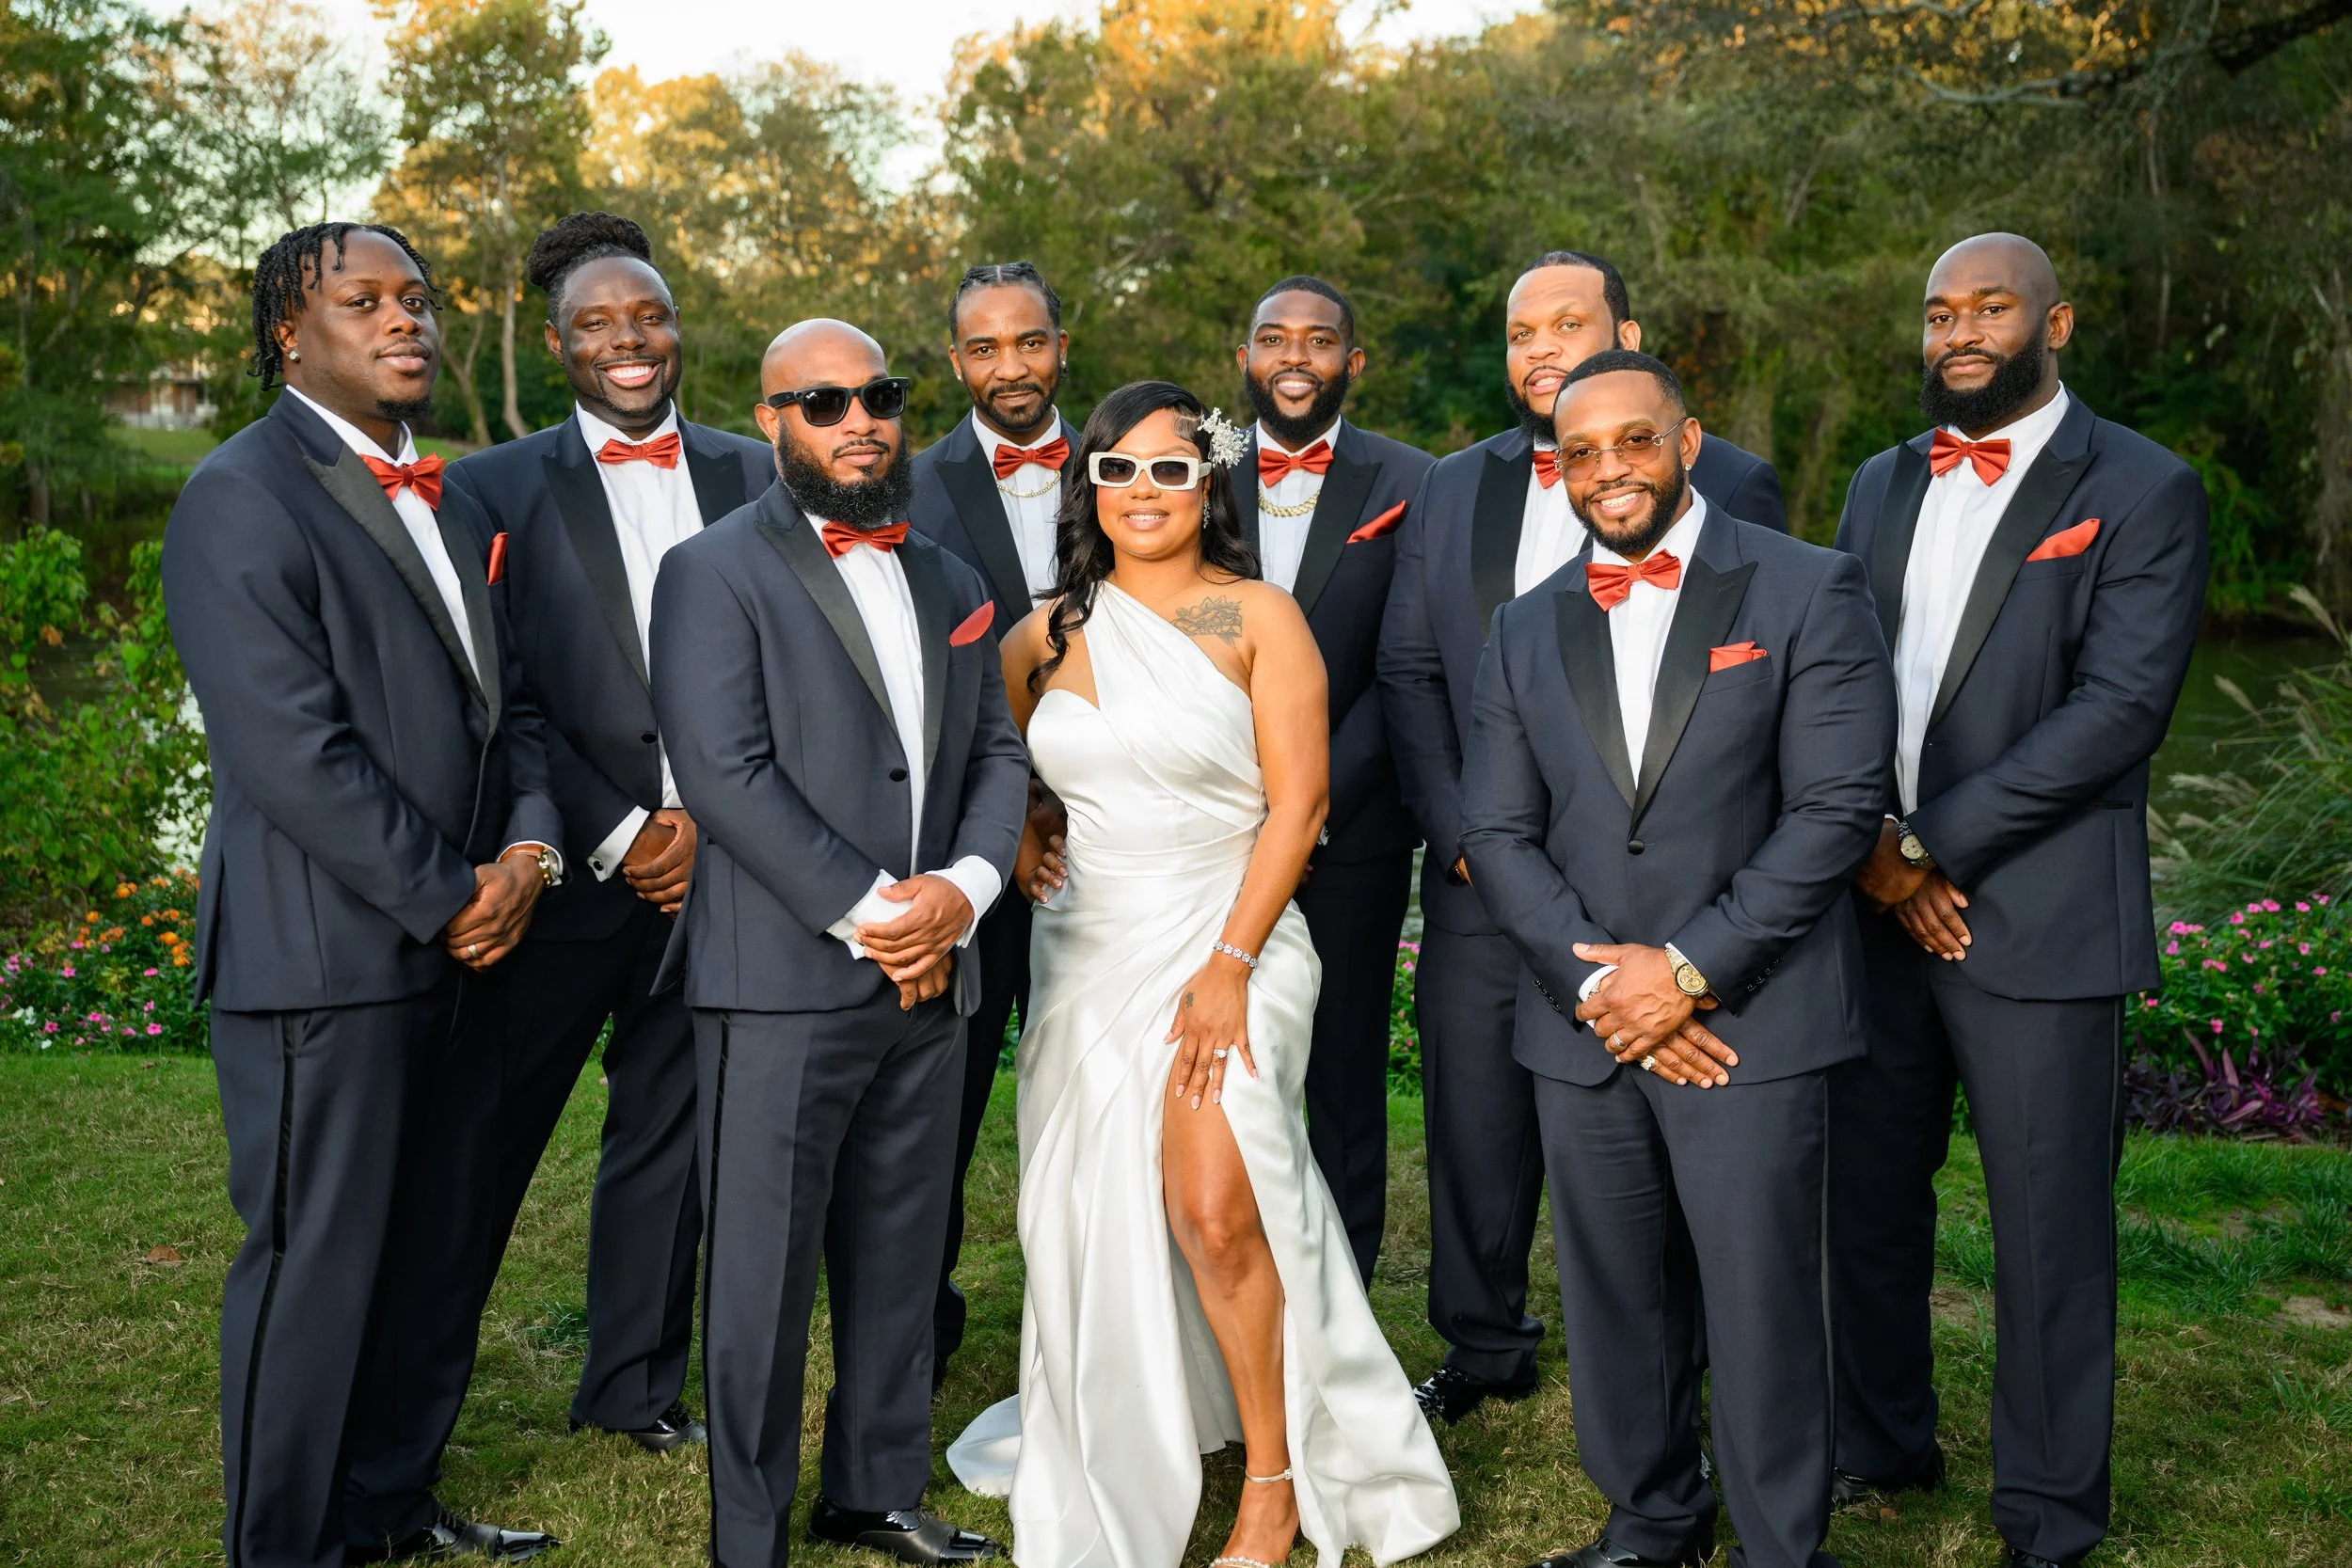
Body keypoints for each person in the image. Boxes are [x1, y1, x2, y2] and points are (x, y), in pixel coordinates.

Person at [954, 381, 1459, 1568]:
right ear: (1088, 485)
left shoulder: (1260, 618)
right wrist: (1027, 826)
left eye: (1171, 470)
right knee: (1086, 1210)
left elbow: (1303, 805)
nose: (1143, 491)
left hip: (1233, 932)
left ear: (1208, 485)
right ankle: (1160, 1407)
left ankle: (1274, 1487)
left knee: (1216, 1204)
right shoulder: (1043, 635)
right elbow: (1000, 757)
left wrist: (1229, 964)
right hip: (1088, 947)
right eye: (1118, 469)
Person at [162, 222, 564, 1566]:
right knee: (314, 1268)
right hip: (323, 957)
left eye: (418, 298)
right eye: (363, 301)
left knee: (437, 1248)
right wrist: (447, 889)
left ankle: (390, 1500)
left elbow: (511, 715)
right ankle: (283, 1543)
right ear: (290, 329)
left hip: (475, 947)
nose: (405, 321)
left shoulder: (454, 501)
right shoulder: (241, 491)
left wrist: (527, 857)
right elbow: (290, 744)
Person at [1459, 349, 1894, 1568]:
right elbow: (1496, 827)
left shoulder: (1807, 589)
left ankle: (1777, 1542)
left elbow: (1838, 808)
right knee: (1613, 1295)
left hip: (1755, 1021)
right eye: (1579, 450)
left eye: (1633, 441)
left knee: (1761, 1305)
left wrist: (1689, 970)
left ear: (1688, 441)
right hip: (1583, 1028)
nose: (1608, 470)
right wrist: (1603, 985)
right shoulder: (1525, 620)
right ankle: (1650, 1514)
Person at [1829, 233, 2209, 1568]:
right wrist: (1873, 845)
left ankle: (2049, 1513)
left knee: (2048, 1222)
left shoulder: (2145, 487)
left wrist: (1931, 846)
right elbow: (1833, 679)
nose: (1962, 331)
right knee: (1863, 1199)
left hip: (2038, 920)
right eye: (1940, 310)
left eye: (1991, 306)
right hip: (1873, 912)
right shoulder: (1880, 481)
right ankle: (1880, 1440)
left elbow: (2118, 711)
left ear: (2058, 321)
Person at [1376, 248, 1788, 1425]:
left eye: (1569, 322)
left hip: (1666, 900)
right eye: (1521, 332)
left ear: (1626, 330)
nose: (1542, 347)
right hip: (1482, 875)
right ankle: (1482, 1340)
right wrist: (1462, 834)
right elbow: (1409, 670)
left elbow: (1762, 693)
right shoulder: (1450, 486)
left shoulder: (1738, 483)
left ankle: (1696, 1364)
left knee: (1676, 1137)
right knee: (1473, 1119)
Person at [649, 319, 1029, 1568]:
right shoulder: (713, 570)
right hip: (784, 979)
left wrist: (962, 896)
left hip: (937, 972)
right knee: (759, 1266)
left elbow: (996, 755)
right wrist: (882, 911)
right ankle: (748, 1529)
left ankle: (872, 1485)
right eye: (823, 400)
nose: (857, 417)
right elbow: (724, 771)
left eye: (877, 394)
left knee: (904, 1243)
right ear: (770, 420)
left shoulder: (954, 579)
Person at [438, 210, 772, 1454]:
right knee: (484, 1139)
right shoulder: (490, 484)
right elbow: (500, 689)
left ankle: (634, 1384)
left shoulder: (756, 467)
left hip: (725, 875)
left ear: (679, 327)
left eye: (648, 317)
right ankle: (414, 1401)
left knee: (671, 1136)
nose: (628, 342)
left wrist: (717, 827)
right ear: (557, 339)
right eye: (598, 323)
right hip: (569, 872)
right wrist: (625, 828)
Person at [1228, 276, 1433, 1285]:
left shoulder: (1414, 480)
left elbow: (1410, 660)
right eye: (1275, 340)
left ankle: (1339, 1280)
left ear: (1355, 361)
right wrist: (1246, 798)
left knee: (1347, 1057)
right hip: (1213, 819)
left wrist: (1309, 803)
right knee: (1220, 1046)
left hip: (1353, 825)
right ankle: (1222, 1257)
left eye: (1319, 341)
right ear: (1245, 360)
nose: (1295, 357)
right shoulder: (1188, 470)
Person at [908, 260, 1081, 1389]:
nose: (1007, 366)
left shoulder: (1139, 459)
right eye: (983, 347)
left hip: (1124, 835)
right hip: (971, 834)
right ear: (955, 358)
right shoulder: (910, 485)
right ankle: (915, 1321)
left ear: (1062, 342)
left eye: (1027, 341)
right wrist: (1008, 811)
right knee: (940, 1105)